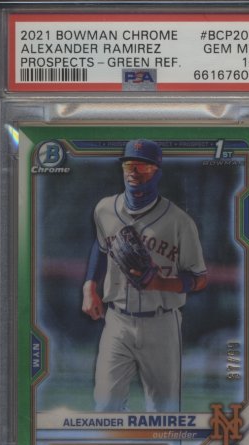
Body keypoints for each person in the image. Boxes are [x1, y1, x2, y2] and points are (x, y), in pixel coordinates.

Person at [82, 139, 208, 413]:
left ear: (157, 172)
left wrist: (161, 283)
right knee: (105, 407)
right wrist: (89, 286)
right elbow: (101, 247)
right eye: (129, 165)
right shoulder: (104, 209)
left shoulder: (180, 222)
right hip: (118, 320)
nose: (134, 172)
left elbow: (199, 278)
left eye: (143, 167)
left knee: (163, 413)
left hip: (161, 324)